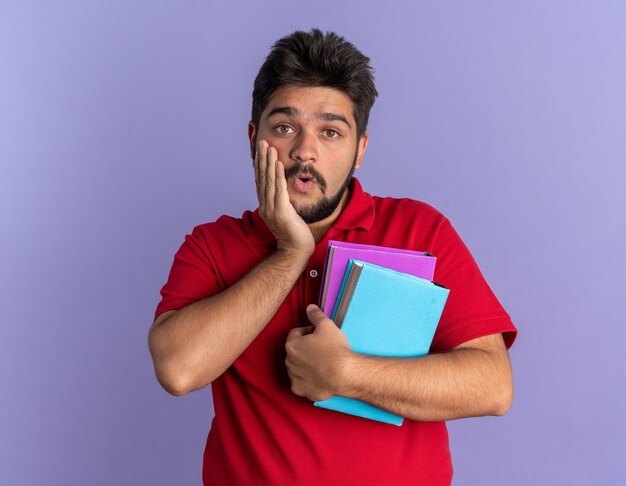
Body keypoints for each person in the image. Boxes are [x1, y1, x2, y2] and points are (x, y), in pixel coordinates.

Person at [148, 28, 517, 486]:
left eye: (330, 132)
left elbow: (493, 386)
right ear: (252, 137)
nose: (305, 150)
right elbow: (178, 369)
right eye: (285, 128)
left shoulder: (421, 230)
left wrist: (347, 374)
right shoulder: (212, 245)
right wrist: (290, 254)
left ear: (360, 148)